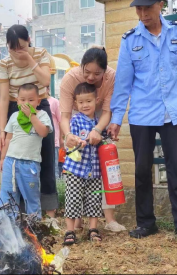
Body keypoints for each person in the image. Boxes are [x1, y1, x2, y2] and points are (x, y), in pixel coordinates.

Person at [109, 0, 177, 246]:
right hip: (142, 113)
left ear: (160, 5)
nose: (142, 13)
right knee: (141, 169)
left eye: (147, 8)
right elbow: (123, 84)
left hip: (174, 112)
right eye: (138, 8)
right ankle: (145, 223)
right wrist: (116, 118)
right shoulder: (130, 40)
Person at [0, 24, 59, 227]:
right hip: (16, 110)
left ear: (29, 41)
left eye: (21, 46)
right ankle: (21, 216)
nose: (17, 51)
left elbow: (45, 81)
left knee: (46, 160)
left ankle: (49, 216)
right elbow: (5, 98)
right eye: (12, 47)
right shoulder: (5, 63)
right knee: (18, 160)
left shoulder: (41, 54)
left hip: (40, 105)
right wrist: (3, 130)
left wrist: (29, 59)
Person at [59, 46, 126, 232]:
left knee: (104, 162)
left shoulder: (112, 77)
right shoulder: (70, 79)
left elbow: (106, 111)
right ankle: (77, 220)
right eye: (86, 72)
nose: (90, 77)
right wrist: (69, 135)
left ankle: (109, 218)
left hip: (100, 116)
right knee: (78, 164)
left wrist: (97, 130)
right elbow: (65, 115)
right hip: (77, 113)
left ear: (105, 71)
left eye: (97, 74)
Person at [0, 83, 53, 219]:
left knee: (31, 197)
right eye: (22, 100)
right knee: (7, 196)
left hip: (30, 164)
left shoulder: (42, 115)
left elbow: (43, 132)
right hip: (10, 161)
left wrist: (32, 116)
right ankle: (8, 229)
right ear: (17, 100)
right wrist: (2, 158)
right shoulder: (14, 116)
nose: (26, 103)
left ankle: (34, 227)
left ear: (38, 101)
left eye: (31, 100)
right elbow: (8, 139)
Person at [63, 83, 108, 245]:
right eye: (81, 102)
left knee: (94, 200)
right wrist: (76, 142)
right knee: (73, 199)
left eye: (88, 101)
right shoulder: (75, 121)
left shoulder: (99, 123)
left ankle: (93, 229)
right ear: (75, 103)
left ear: (96, 101)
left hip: (94, 170)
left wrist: (103, 138)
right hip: (76, 169)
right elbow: (68, 142)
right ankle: (70, 230)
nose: (85, 105)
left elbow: (105, 143)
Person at [46, 87, 62, 178]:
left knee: (54, 167)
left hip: (54, 141)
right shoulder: (36, 102)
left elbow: (61, 121)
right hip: (41, 141)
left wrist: (61, 139)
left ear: (48, 89)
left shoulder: (54, 102)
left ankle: (57, 189)